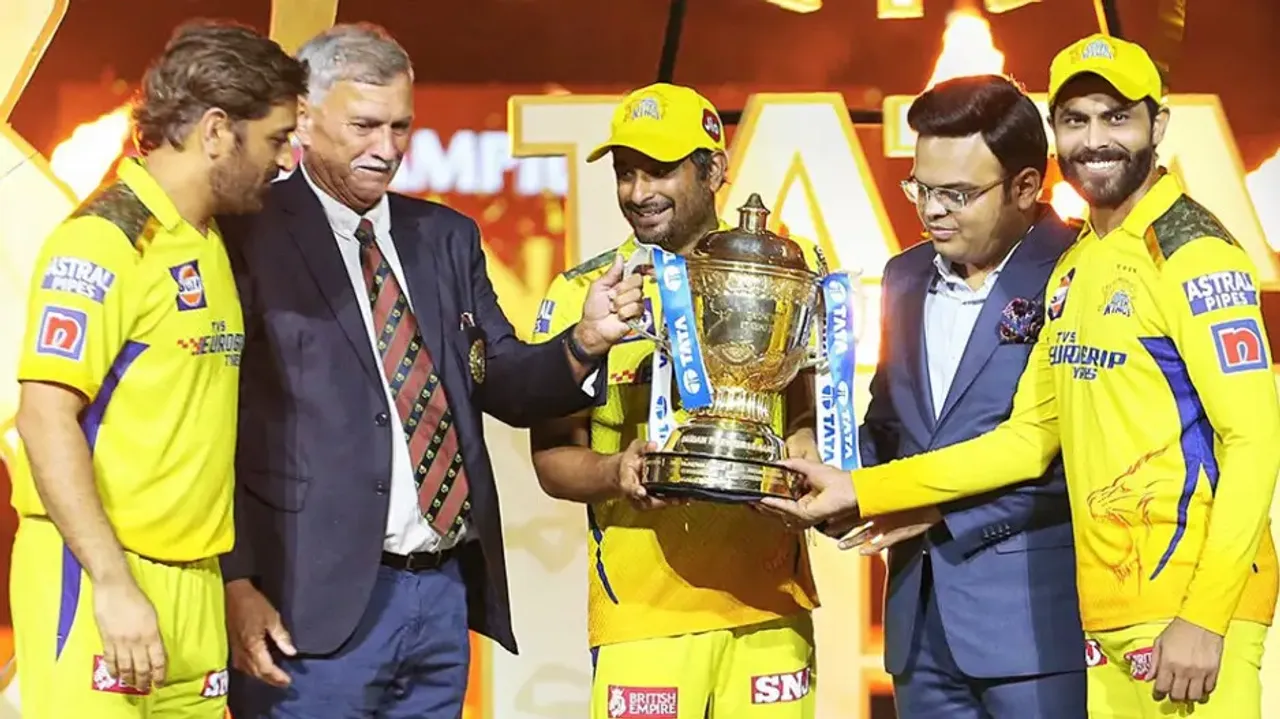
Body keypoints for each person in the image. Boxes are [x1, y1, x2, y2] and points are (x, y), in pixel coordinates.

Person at [763, 34, 1280, 716]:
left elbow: (1255, 438)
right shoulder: (1080, 265)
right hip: (1110, 620)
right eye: (1075, 119)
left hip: (1184, 615)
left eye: (1116, 116)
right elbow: (1026, 438)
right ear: (1056, 134)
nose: (1095, 140)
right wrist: (860, 486)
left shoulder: (1194, 252)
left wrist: (1207, 615)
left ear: (1158, 124)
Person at [218, 23, 645, 718]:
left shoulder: (445, 237)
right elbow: (217, 426)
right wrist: (235, 580)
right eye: (364, 126)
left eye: (401, 127)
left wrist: (585, 342)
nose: (386, 150)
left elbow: (503, 378)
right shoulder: (249, 233)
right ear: (304, 117)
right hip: (305, 610)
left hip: (440, 599)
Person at [8, 21, 305, 719]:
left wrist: (228, 583)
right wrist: (111, 581)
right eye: (275, 139)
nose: (284, 160)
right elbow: (44, 414)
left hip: (195, 589)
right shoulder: (103, 241)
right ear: (214, 131)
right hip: (96, 581)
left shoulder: (210, 242)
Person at [529, 82, 822, 719]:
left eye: (659, 170)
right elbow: (552, 458)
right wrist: (617, 471)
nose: (639, 193)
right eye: (625, 173)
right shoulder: (587, 293)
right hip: (644, 616)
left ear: (713, 169)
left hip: (771, 603)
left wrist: (803, 448)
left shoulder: (782, 281)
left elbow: (803, 413)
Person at [823, 74, 1086, 718]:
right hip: (918, 629)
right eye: (921, 187)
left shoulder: (1082, 269)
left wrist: (939, 511)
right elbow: (890, 423)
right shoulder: (903, 275)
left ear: (1026, 186)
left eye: (957, 193)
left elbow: (1090, 458)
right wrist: (825, 465)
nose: (931, 209)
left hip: (1037, 629)